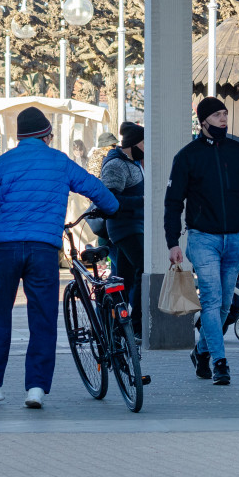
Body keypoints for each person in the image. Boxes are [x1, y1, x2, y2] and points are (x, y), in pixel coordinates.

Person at [0, 106, 118, 408]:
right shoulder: (59, 161)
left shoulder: (3, 163)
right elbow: (95, 189)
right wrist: (113, 207)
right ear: (46, 135)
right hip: (43, 248)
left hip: (5, 247)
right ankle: (36, 388)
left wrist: (9, 221)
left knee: (0, 314)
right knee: (42, 318)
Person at [165, 97, 239, 386]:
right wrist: (173, 242)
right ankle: (220, 362)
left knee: (223, 305)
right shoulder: (186, 156)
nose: (223, 119)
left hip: (235, 239)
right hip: (202, 238)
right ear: (203, 121)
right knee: (211, 300)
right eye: (217, 115)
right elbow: (173, 203)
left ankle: (202, 351)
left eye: (225, 114)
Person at [101, 121, 145, 338]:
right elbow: (109, 199)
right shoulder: (116, 165)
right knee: (144, 266)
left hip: (134, 225)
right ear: (134, 143)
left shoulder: (132, 162)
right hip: (124, 227)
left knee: (124, 278)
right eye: (145, 142)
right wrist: (143, 201)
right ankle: (136, 325)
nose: (147, 147)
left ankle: (117, 326)